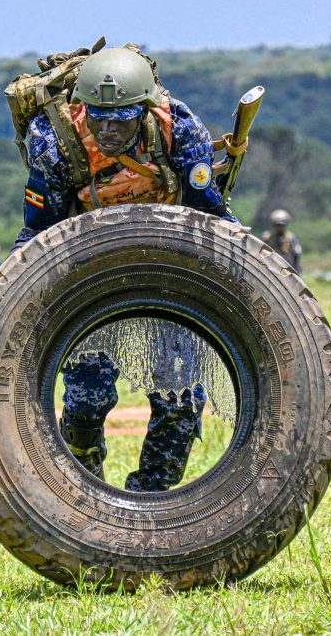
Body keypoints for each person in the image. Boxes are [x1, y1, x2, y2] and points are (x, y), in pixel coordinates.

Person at [16, 46, 236, 492]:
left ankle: (147, 500)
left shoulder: (179, 127)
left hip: (166, 271)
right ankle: (86, 491)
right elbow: (40, 232)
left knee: (179, 402)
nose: (110, 130)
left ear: (147, 109)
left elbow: (210, 211)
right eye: (99, 118)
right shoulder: (55, 138)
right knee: (84, 403)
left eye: (122, 118)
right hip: (90, 277)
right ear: (82, 109)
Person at [262, 209, 302, 273]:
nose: (280, 227)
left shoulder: (291, 237)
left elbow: (296, 253)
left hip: (287, 266)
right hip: (272, 265)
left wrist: (296, 270)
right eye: (278, 225)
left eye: (282, 225)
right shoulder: (268, 237)